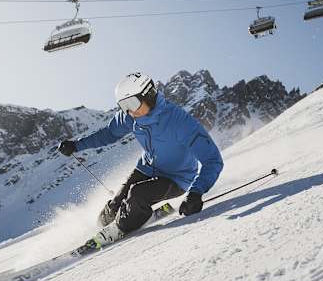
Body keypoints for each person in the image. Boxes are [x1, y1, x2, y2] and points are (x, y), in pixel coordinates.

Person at [57, 72, 224, 248]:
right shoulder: (130, 117)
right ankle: (102, 226)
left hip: (177, 178)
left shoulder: (179, 121)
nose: (129, 110)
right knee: (115, 204)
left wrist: (195, 193)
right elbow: (109, 134)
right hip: (146, 167)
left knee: (137, 194)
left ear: (149, 95)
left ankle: (121, 227)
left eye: (132, 103)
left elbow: (213, 160)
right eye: (124, 105)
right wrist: (76, 146)